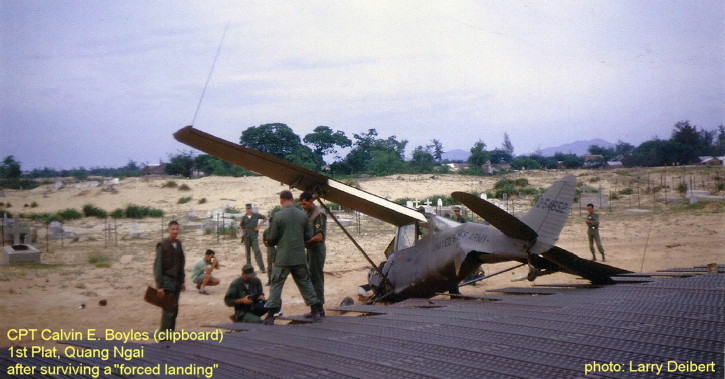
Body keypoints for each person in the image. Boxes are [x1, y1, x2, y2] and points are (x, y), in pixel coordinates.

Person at [262, 190, 322, 325]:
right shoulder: (302, 215)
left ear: (281, 200)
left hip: (283, 258)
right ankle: (315, 311)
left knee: (276, 285)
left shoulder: (278, 215)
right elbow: (308, 236)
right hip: (300, 257)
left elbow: (271, 238)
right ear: (293, 199)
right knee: (305, 283)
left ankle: (271, 316)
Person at [154, 220, 185, 333]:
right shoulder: (163, 245)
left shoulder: (178, 244)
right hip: (167, 282)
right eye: (173, 229)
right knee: (168, 310)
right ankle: (163, 336)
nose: (175, 231)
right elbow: (158, 267)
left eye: (177, 229)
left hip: (176, 282)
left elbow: (181, 263)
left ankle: (170, 334)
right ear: (168, 230)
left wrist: (182, 281)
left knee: (175, 310)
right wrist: (160, 286)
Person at [300, 191, 327, 317]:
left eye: (305, 204)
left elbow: (319, 236)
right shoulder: (306, 213)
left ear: (311, 201)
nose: (303, 206)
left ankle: (319, 309)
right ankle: (315, 309)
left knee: (316, 278)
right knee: (310, 278)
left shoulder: (318, 214)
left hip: (317, 249)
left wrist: (305, 241)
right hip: (310, 249)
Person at [240, 203, 268, 273]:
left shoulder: (256, 215)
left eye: (249, 208)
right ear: (245, 209)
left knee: (257, 251)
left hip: (254, 236)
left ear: (251, 209)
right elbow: (241, 225)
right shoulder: (244, 217)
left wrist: (259, 226)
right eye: (247, 209)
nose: (248, 210)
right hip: (246, 236)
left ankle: (262, 268)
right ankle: (249, 270)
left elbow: (265, 218)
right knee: (248, 253)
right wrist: (242, 232)